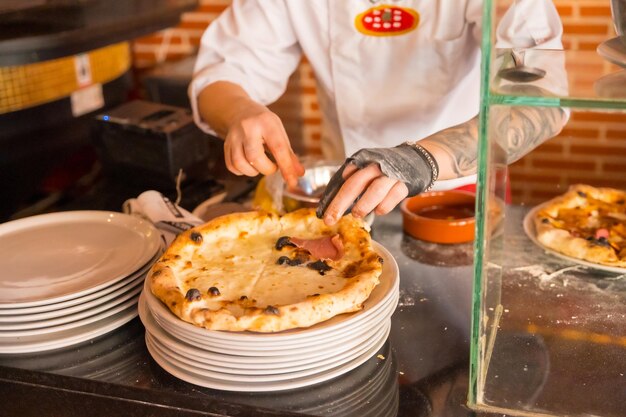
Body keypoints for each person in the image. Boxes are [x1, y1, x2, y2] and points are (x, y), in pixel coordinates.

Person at [189, 0, 567, 225]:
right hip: (341, 194)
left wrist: (421, 160)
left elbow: (540, 98)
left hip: (457, 190)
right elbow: (222, 72)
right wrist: (239, 110)